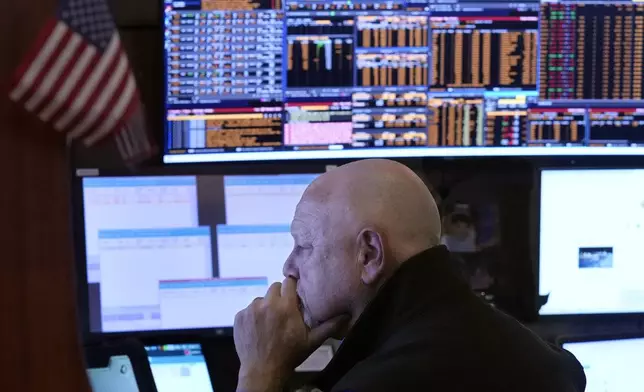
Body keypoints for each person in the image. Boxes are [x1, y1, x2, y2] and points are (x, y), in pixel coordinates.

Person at [233, 159, 586, 392]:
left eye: (304, 245)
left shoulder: (380, 383)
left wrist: (259, 373)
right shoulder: (541, 357)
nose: (289, 267)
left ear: (369, 254)